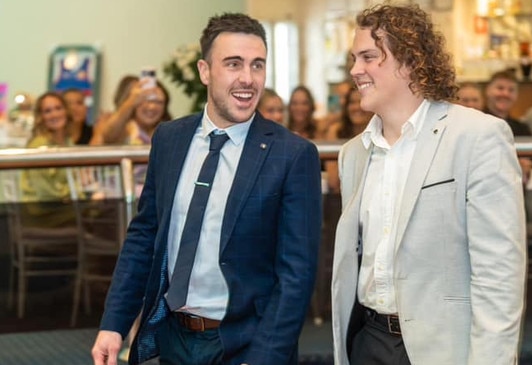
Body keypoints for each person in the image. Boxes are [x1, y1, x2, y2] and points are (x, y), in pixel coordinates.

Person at [91, 12, 322, 365]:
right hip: (173, 338)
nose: (248, 79)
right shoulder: (169, 139)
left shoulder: (292, 155)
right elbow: (144, 236)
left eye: (257, 65)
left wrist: (265, 358)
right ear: (204, 71)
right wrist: (114, 324)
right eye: (233, 64)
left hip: (245, 345)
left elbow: (297, 275)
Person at [331, 4, 526, 365]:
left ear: (409, 61)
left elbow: (499, 276)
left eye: (369, 57)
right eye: (353, 59)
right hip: (368, 342)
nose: (355, 70)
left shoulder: (478, 136)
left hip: (443, 348)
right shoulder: (353, 153)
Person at [20, 92, 77, 227]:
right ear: (41, 117)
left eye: (58, 108)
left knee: (103, 207)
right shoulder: (39, 144)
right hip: (42, 213)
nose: (55, 114)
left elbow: (75, 179)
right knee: (101, 210)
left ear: (66, 111)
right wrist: (71, 195)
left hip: (63, 208)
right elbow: (44, 192)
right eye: (48, 111)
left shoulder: (69, 142)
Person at [484, 69, 532, 181]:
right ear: (488, 90)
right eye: (500, 88)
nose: (505, 94)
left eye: (511, 90)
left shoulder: (522, 128)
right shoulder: (475, 123)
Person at [324, 87, 373, 193]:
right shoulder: (336, 131)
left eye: (360, 101)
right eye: (351, 102)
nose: (356, 107)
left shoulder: (382, 132)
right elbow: (333, 181)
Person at [97, 78, 172, 145]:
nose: (151, 107)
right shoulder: (126, 129)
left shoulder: (169, 131)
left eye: (158, 102)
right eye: (145, 100)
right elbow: (108, 137)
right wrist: (130, 102)